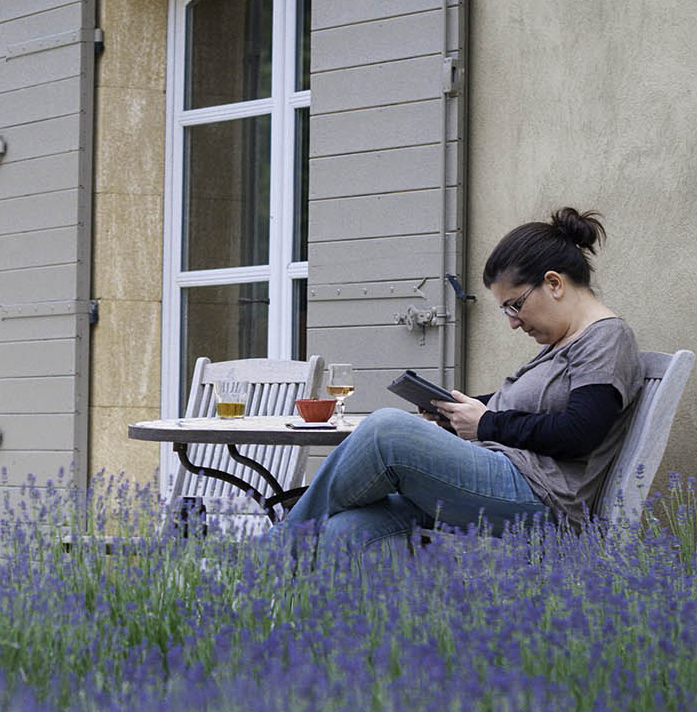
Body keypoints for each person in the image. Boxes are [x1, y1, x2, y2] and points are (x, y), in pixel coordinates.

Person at [273, 207, 642, 552]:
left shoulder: (606, 338)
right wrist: (456, 413)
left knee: (386, 431)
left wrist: (487, 423)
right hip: (504, 479)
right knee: (348, 528)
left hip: (541, 498)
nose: (514, 322)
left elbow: (580, 432)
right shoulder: (564, 340)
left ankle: (268, 556)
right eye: (506, 311)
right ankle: (313, 593)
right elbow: (526, 409)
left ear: (554, 284)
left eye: (515, 305)